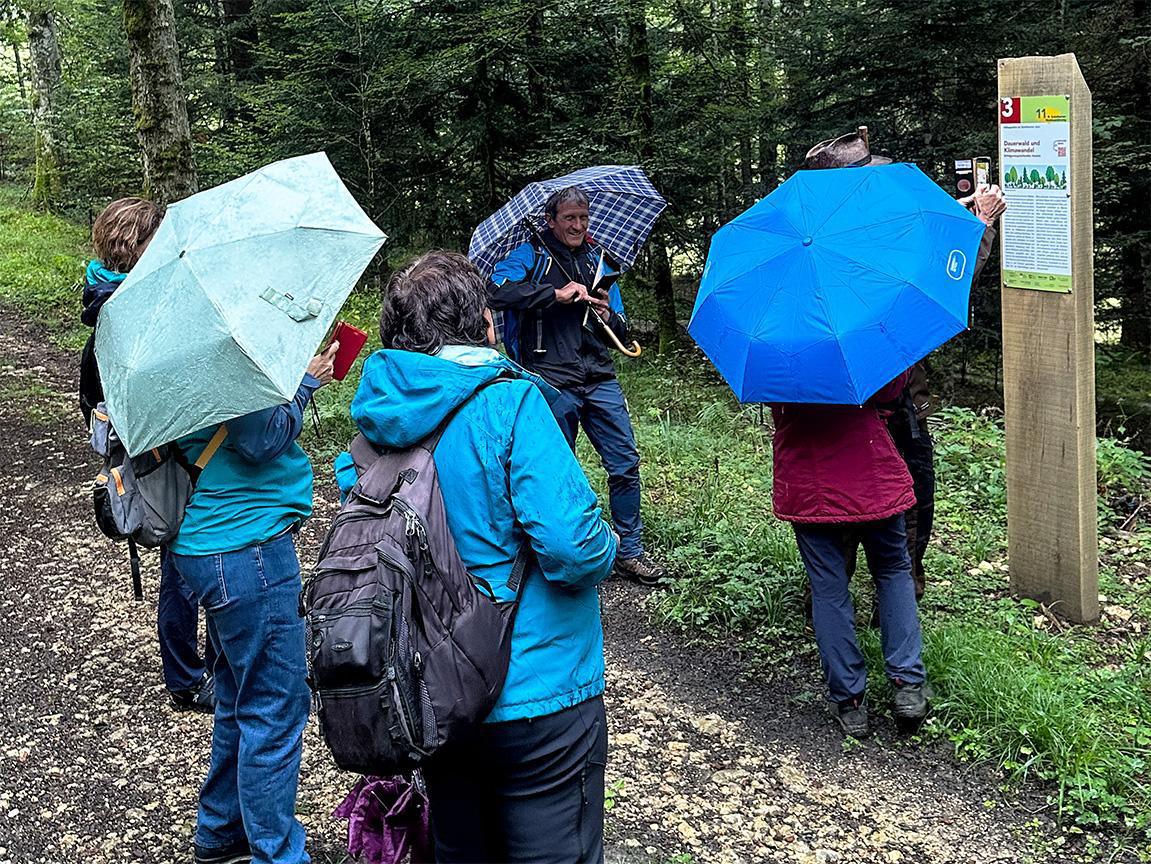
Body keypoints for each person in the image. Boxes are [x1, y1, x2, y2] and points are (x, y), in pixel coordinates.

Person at [335, 251, 618, 864]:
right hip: (539, 692)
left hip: (431, 689)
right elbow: (574, 550)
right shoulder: (510, 405)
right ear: (485, 322)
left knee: (462, 848)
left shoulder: (375, 425)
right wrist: (611, 542)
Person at [775, 131, 930, 737]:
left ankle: (850, 703)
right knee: (892, 569)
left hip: (810, 479)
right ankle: (909, 687)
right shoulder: (869, 305)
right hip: (872, 470)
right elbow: (892, 394)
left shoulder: (777, 321)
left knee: (829, 586)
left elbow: (770, 392)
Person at [168, 338, 339, 864]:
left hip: (204, 540)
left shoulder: (181, 349)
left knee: (240, 697)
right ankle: (277, 853)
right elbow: (260, 437)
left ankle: (222, 833)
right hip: (246, 546)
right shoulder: (224, 352)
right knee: (274, 704)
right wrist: (306, 382)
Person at [487, 187, 666, 586]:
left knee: (625, 462)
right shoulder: (530, 255)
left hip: (598, 375)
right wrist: (555, 294)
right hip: (552, 378)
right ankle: (559, 550)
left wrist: (606, 312)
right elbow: (495, 292)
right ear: (551, 220)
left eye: (583, 218)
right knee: (556, 469)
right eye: (569, 218)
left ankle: (630, 551)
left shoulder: (598, 259)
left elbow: (619, 328)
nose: (578, 225)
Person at [78, 197, 217, 713]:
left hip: (145, 451)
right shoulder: (130, 309)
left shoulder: (107, 297)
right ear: (142, 248)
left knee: (179, 558)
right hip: (161, 455)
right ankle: (185, 677)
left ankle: (194, 667)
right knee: (180, 560)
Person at [875, 183, 1007, 601]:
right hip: (894, 410)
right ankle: (901, 603)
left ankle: (828, 611)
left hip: (829, 411)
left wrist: (954, 212)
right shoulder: (873, 240)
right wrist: (982, 224)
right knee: (909, 505)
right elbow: (947, 279)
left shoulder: (822, 234)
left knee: (836, 514)